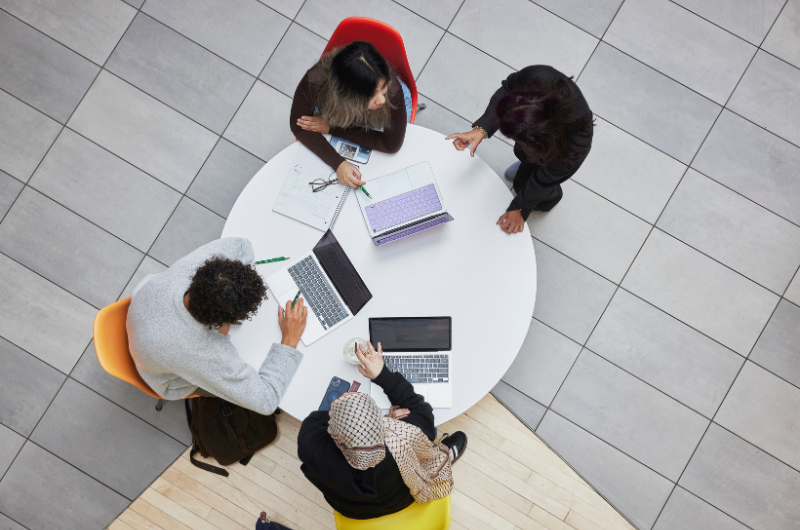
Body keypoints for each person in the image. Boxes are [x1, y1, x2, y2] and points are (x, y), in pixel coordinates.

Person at [127, 238, 307, 415]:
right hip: (162, 375)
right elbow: (266, 401)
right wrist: (290, 339)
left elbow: (242, 246)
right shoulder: (203, 351)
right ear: (224, 321)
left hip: (144, 314)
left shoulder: (194, 268)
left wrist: (234, 284)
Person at [298, 342, 467, 519]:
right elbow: (421, 412)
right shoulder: (398, 446)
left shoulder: (309, 442)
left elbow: (322, 420)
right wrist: (381, 374)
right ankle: (440, 458)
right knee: (428, 454)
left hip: (350, 507)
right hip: (397, 498)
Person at [446, 65, 594, 234]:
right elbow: (508, 87)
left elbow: (543, 181)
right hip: (544, 142)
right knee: (521, 155)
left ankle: (552, 197)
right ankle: (527, 162)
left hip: (560, 152)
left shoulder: (574, 149)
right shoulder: (537, 76)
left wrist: (521, 208)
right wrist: (482, 129)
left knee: (524, 184)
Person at [290, 41, 412, 189]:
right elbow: (299, 126)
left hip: (393, 105)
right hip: (340, 110)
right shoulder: (314, 80)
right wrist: (338, 163)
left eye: (383, 86)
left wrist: (332, 128)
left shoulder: (391, 94)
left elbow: (391, 145)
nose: (381, 99)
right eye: (371, 94)